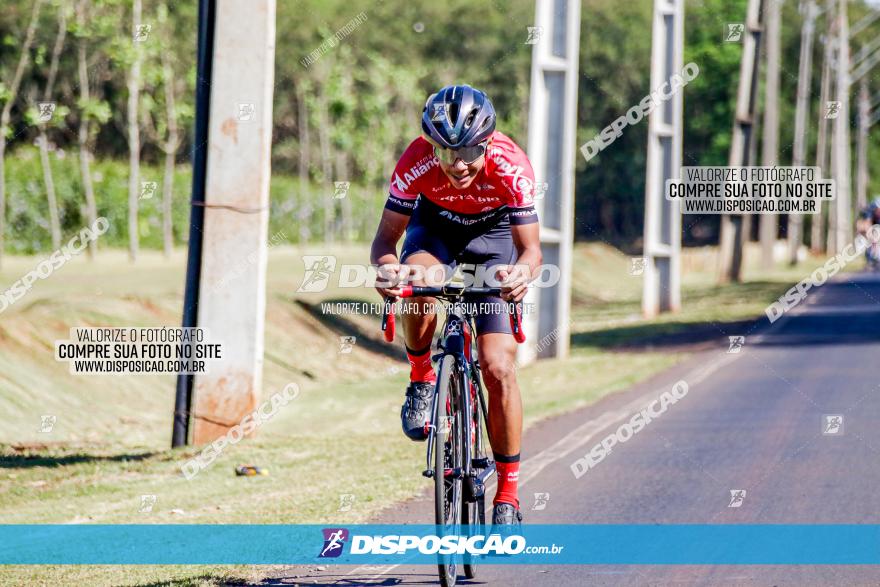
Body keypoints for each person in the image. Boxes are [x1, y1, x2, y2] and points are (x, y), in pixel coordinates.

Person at [370, 85, 542, 528]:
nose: (459, 164)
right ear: (431, 146)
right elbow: (386, 242)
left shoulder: (511, 166)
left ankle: (507, 492)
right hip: (435, 231)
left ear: (487, 142)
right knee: (419, 282)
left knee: (497, 365)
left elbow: (531, 252)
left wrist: (521, 274)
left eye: (469, 150)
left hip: (496, 239)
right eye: (446, 152)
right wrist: (389, 270)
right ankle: (423, 378)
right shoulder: (414, 164)